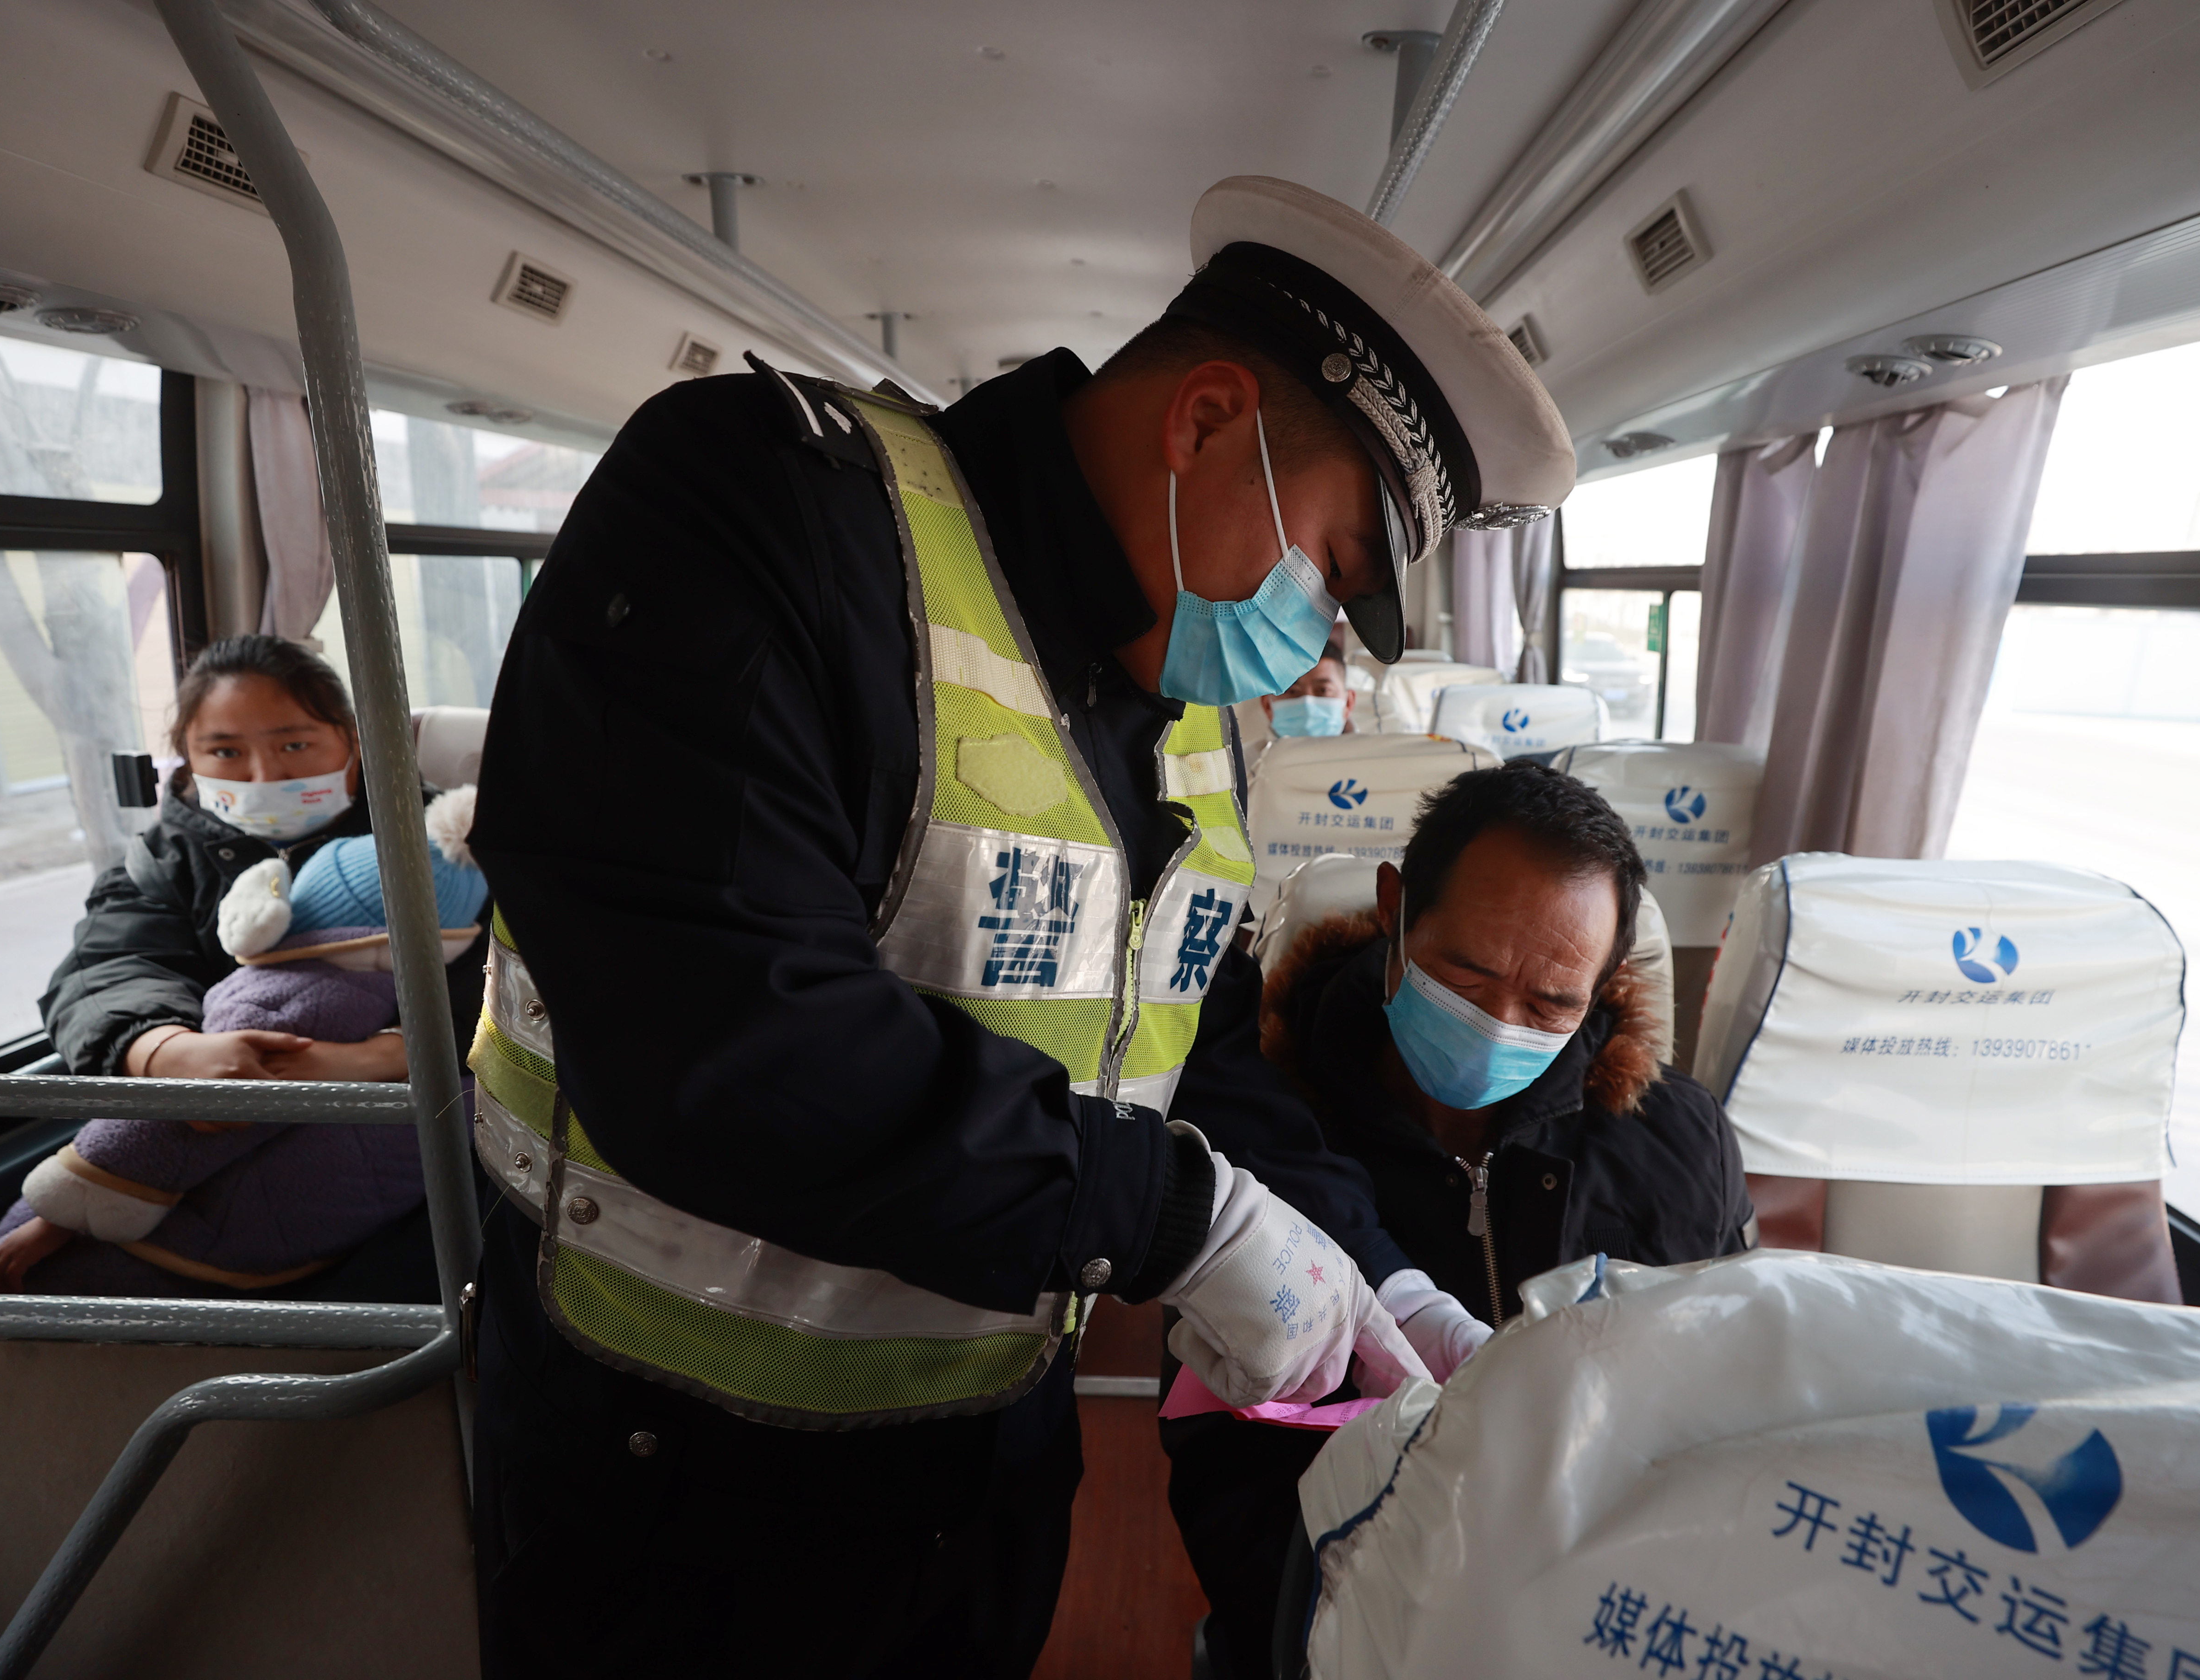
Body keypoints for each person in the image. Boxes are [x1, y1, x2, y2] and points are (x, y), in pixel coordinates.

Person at [462, 175, 1576, 1678]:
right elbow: (723, 1035)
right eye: (1329, 567)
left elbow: (1198, 1051)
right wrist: (1178, 1220)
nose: (1309, 634)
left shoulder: (1209, 725)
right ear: (1203, 422)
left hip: (983, 1471)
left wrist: (1377, 1267)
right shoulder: (765, 508)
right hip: (672, 1480)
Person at [1162, 761, 1756, 1675]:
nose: (1500, 1023)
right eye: (1468, 975)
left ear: (1601, 987)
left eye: (1552, 1002)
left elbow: (1717, 1419)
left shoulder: (1680, 1146)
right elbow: (1224, 1464)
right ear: (1396, 908)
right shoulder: (1267, 1130)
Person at [0, 634, 486, 1298]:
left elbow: (514, 980)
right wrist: (167, 1052)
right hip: (204, 1122)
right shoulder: (165, 859)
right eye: (226, 751)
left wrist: (381, 1059)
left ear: (354, 741)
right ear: (191, 764)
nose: (264, 776)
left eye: (293, 745)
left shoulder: (442, 845)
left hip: (409, 1138)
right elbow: (105, 968)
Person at [1260, 639, 1354, 737]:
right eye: (1292, 691)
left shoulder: (1370, 752)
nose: (1307, 703)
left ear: (1349, 702)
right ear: (1267, 704)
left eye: (1324, 690)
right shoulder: (1249, 753)